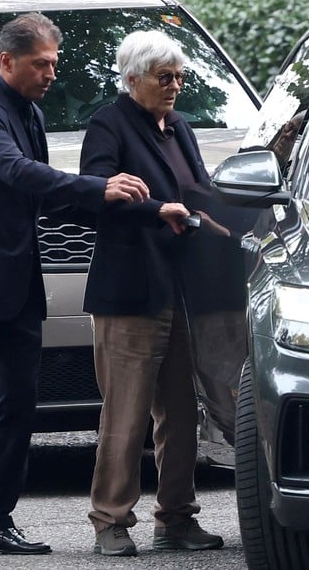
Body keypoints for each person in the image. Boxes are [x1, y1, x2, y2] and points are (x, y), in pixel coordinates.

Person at [0, 13, 186, 557]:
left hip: (18, 282)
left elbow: (44, 198)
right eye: (41, 64)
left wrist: (139, 209)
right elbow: (18, 172)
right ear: (6, 61)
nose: (50, 74)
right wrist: (97, 186)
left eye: (54, 64)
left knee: (19, 402)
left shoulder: (31, 113)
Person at [79, 29, 225, 557]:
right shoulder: (109, 123)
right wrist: (154, 210)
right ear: (133, 78)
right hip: (130, 291)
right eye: (165, 77)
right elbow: (97, 193)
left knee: (181, 411)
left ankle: (177, 518)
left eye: (180, 76)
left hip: (179, 287)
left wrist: (212, 214)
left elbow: (198, 187)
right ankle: (110, 522)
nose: (175, 85)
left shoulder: (179, 126)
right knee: (127, 413)